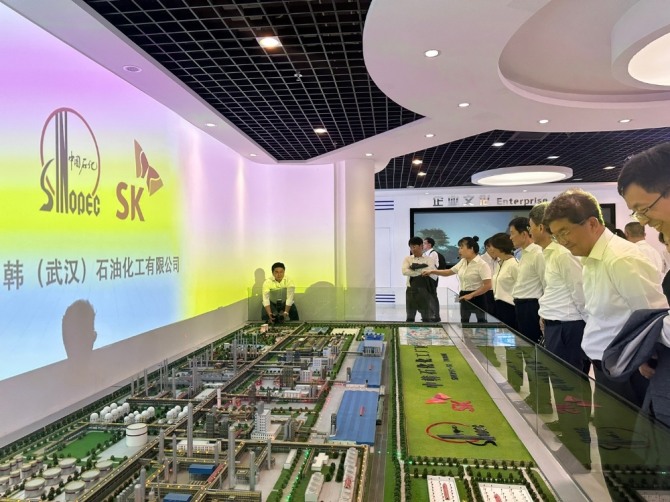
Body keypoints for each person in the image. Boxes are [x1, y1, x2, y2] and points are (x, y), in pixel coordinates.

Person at [543, 188, 668, 406]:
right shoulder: (590, 257)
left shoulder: (620, 258)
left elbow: (651, 315)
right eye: (556, 236)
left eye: (564, 232)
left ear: (592, 223)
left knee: (627, 427)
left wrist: (644, 358)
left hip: (629, 368)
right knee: (611, 426)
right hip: (609, 365)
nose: (562, 241)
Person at [529, 202, 589, 373]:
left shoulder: (563, 254)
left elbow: (580, 291)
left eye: (530, 226)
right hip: (556, 325)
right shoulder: (550, 253)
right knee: (559, 378)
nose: (529, 231)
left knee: (569, 380)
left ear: (541, 227)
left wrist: (588, 326)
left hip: (567, 326)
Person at [424, 236, 491, 323]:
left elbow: (488, 285)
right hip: (463, 295)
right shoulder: (463, 261)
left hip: (478, 297)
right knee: (464, 322)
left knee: (481, 323)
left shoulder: (482, 264)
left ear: (471, 249)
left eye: (461, 247)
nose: (459, 250)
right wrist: (432, 271)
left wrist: (471, 295)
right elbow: (448, 272)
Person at [509, 217, 545, 344]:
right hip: (521, 306)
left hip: (532, 306)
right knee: (524, 345)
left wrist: (543, 312)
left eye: (512, 233)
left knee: (533, 345)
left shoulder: (538, 253)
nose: (510, 237)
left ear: (524, 234)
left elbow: (546, 284)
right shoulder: (524, 254)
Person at [487, 232, 519, 330]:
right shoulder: (500, 263)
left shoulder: (514, 264)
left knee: (510, 335)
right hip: (498, 305)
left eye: (492, 246)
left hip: (510, 307)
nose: (490, 249)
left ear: (500, 247)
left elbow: (521, 287)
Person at [403, 236, 437, 322]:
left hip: (425, 290)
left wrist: (413, 268)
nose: (412, 249)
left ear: (421, 246)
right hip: (411, 290)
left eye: (414, 247)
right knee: (410, 316)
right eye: (410, 247)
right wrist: (421, 271)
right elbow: (405, 271)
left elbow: (430, 270)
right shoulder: (407, 259)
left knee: (426, 317)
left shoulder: (429, 259)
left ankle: (426, 331)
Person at [422, 237, 441, 321]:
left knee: (432, 297)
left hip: (432, 278)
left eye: (424, 243)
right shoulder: (425, 253)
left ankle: (436, 316)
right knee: (427, 297)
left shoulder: (433, 253)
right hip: (426, 277)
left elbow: (429, 265)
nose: (423, 245)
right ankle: (429, 315)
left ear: (429, 244)